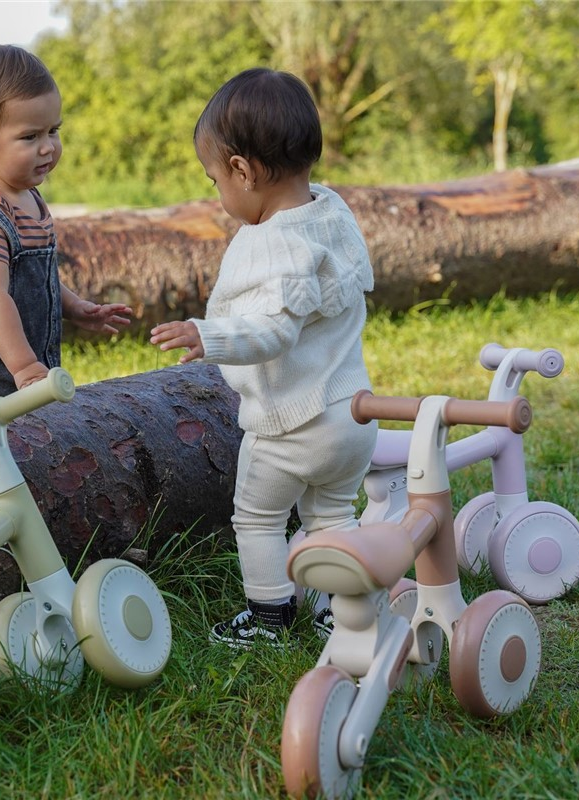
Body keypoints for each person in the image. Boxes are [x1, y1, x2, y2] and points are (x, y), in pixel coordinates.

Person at [150, 68, 377, 648]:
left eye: (214, 180)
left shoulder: (270, 241)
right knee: (332, 516)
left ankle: (271, 617)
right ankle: (342, 609)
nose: (218, 195)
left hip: (290, 425)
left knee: (257, 517)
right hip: (352, 417)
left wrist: (210, 337)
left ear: (243, 172)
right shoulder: (331, 211)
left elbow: (273, 330)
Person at [0, 45, 132, 412]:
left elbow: (34, 276)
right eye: (30, 137)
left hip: (22, 380)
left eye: (54, 131)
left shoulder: (29, 199)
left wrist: (76, 307)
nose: (49, 147)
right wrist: (25, 368)